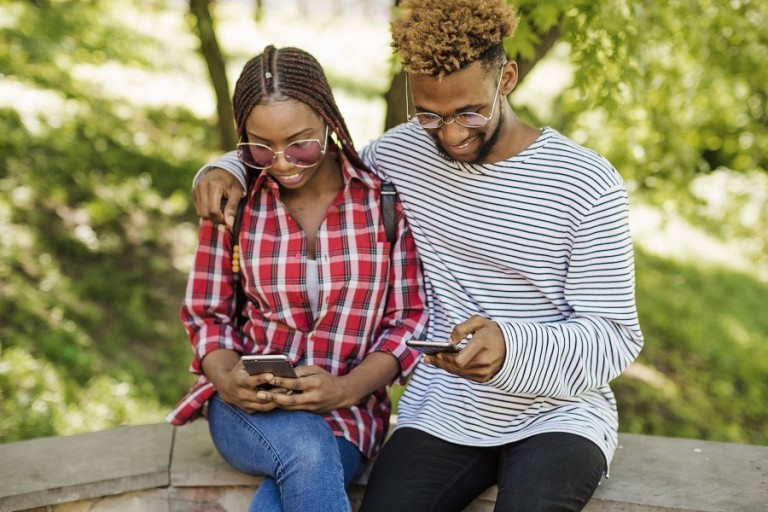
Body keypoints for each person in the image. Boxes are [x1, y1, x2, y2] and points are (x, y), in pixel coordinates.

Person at [191, 0, 645, 510]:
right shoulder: (398, 157)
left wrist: (512, 348)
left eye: (469, 111)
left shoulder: (586, 182)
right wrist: (226, 167)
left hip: (560, 414)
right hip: (445, 410)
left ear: (507, 78)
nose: (451, 135)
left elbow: (616, 336)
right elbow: (300, 158)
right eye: (430, 114)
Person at [167, 44, 428, 512]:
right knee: (305, 448)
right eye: (260, 147)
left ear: (330, 120)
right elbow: (208, 315)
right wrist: (227, 379)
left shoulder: (382, 203)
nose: (283, 162)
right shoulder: (234, 201)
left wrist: (344, 389)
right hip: (248, 412)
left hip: (349, 417)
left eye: (300, 143)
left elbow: (408, 321)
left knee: (289, 482)